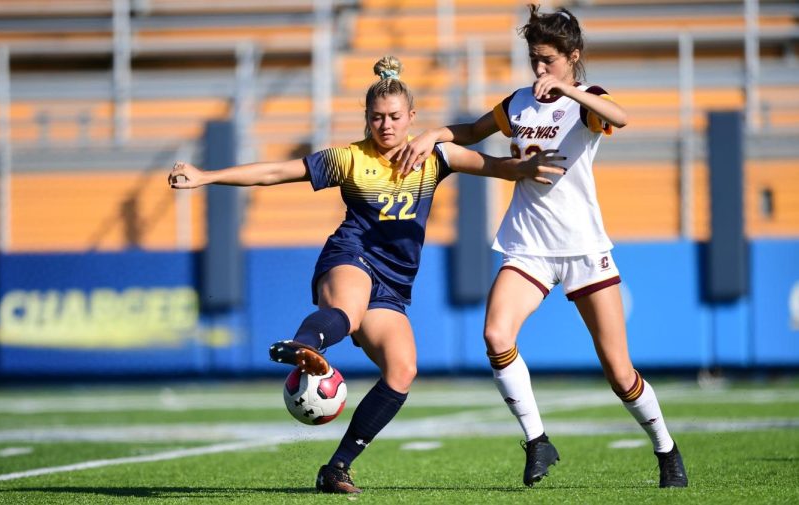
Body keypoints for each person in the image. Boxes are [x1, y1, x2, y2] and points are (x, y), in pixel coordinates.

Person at [169, 55, 565, 494]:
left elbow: (491, 165)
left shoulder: (436, 156)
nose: (386, 125)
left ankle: (336, 468)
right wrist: (206, 176)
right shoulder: (349, 159)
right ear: (366, 119)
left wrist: (524, 168)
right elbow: (275, 173)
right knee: (348, 310)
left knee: (403, 370)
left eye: (395, 116)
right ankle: (305, 347)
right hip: (350, 256)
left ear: (411, 117)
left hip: (393, 284)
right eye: (377, 118)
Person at [397, 5, 688, 489]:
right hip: (529, 245)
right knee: (495, 336)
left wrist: (569, 88)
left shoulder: (585, 100)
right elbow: (472, 132)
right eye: (533, 59)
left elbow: (621, 116)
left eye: (547, 59)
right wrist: (433, 134)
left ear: (572, 57)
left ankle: (666, 448)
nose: (538, 69)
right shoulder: (518, 103)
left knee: (620, 372)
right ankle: (537, 441)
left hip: (582, 249)